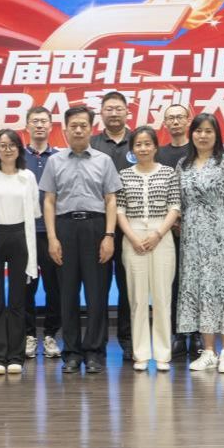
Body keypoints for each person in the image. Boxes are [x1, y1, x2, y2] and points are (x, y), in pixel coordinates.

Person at [40, 106, 121, 374]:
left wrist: (109, 235)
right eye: (73, 126)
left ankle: (95, 352)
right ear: (64, 130)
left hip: (96, 227)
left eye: (83, 125)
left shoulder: (103, 160)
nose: (78, 130)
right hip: (64, 228)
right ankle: (72, 353)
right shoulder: (55, 161)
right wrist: (52, 238)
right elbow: (49, 201)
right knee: (67, 294)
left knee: (97, 294)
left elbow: (111, 200)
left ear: (91, 129)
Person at [177, 113, 224, 374]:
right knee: (200, 290)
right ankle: (208, 351)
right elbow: (180, 201)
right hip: (192, 238)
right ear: (191, 134)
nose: (203, 135)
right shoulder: (183, 164)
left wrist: (223, 221)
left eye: (208, 131)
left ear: (216, 134)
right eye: (198, 131)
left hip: (221, 236)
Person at [115, 126, 181, 371]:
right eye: (138, 144)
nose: (143, 148)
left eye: (147, 144)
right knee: (137, 299)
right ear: (132, 149)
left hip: (161, 235)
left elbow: (174, 206)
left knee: (163, 297)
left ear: (155, 147)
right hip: (132, 236)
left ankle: (163, 354)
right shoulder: (123, 175)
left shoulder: (168, 173)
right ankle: (141, 353)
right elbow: (119, 210)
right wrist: (132, 237)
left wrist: (158, 234)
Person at [0, 129, 41, 374]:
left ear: (19, 149)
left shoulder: (27, 177)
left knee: (17, 300)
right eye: (2, 145)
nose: (7, 149)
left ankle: (15, 356)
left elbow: (34, 210)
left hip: (20, 236)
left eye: (12, 145)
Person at [91, 90, 134, 354]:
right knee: (98, 287)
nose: (114, 113)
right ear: (101, 113)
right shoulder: (92, 143)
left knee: (129, 287)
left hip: (133, 225)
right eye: (109, 109)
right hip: (99, 226)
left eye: (119, 108)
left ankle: (129, 341)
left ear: (127, 112)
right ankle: (98, 344)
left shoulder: (138, 140)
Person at [23, 106, 62, 359]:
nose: (39, 125)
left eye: (43, 121)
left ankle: (50, 335)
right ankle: (28, 335)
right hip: (23, 232)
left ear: (50, 126)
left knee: (54, 286)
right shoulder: (17, 156)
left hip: (52, 233)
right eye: (34, 121)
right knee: (25, 286)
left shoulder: (60, 157)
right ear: (27, 126)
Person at [157, 103, 192, 358]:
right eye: (171, 118)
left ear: (188, 120)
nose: (176, 122)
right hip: (167, 230)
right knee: (172, 283)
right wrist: (172, 221)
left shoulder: (198, 148)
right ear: (165, 123)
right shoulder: (158, 153)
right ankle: (177, 334)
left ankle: (198, 333)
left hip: (198, 229)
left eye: (180, 117)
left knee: (197, 282)